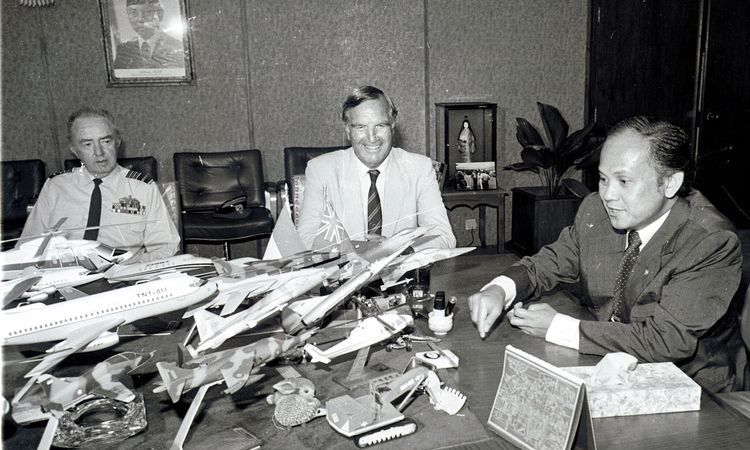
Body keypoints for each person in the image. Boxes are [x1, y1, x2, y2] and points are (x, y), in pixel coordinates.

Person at [469, 116, 747, 393]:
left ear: (671, 183)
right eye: (603, 179)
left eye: (624, 181)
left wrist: (558, 327)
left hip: (692, 389)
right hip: (607, 364)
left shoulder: (709, 241)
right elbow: (550, 262)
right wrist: (500, 289)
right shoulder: (596, 211)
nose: (608, 195)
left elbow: (665, 341)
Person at [297, 86, 456, 250]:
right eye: (360, 127)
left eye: (380, 125)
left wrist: (401, 250)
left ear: (392, 126)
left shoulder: (419, 168)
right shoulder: (321, 170)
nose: (372, 138)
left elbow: (443, 235)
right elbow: (305, 239)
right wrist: (360, 250)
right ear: (347, 130)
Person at [19, 107, 180, 262]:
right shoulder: (56, 186)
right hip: (65, 277)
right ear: (74, 150)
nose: (99, 152)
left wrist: (132, 265)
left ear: (117, 143)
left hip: (123, 277)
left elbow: (165, 247)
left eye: (106, 141)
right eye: (87, 144)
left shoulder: (143, 188)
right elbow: (27, 246)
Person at [113, 0, 184, 70]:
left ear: (160, 15)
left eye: (147, 12)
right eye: (133, 13)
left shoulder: (178, 47)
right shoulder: (123, 50)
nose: (140, 19)